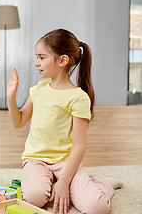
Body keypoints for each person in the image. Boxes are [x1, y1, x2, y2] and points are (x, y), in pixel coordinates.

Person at [7, 29, 122, 214]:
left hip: (65, 163)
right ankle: (52, 181)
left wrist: (65, 181)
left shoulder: (78, 98)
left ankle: (101, 183)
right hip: (36, 160)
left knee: (97, 208)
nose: (37, 63)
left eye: (42, 57)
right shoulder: (38, 89)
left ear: (62, 60)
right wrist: (11, 97)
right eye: (37, 57)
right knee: (34, 198)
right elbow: (18, 122)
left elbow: (79, 146)